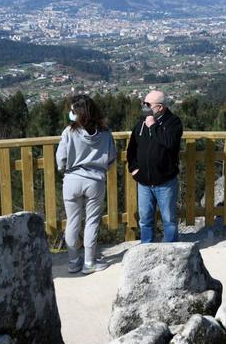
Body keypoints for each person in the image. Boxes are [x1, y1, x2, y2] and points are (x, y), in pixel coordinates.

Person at [56, 94, 117, 274]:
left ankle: (73, 261)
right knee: (92, 222)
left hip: (72, 180)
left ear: (76, 112)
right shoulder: (105, 133)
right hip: (95, 181)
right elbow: (111, 158)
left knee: (72, 222)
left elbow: (61, 159)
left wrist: (66, 169)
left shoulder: (69, 132)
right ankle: (89, 263)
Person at [127, 90, 184, 243]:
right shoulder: (141, 123)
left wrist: (153, 126)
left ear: (159, 107)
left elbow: (170, 143)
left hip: (165, 182)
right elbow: (132, 148)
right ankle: (147, 248)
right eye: (143, 104)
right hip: (144, 182)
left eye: (147, 104)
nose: (144, 107)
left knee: (169, 220)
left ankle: (170, 250)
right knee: (145, 219)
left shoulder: (173, 122)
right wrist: (134, 169)